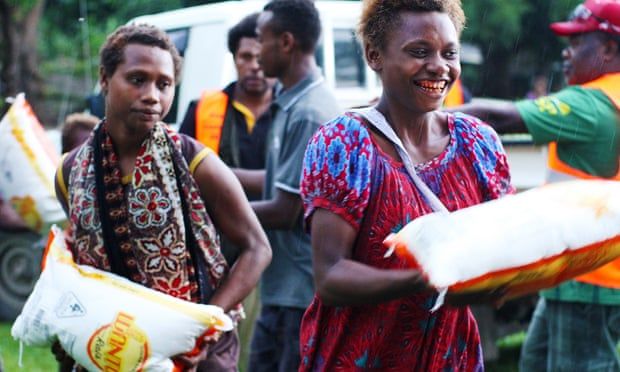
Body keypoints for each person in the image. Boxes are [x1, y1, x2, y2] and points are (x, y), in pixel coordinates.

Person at [298, 0, 515, 370]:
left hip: (452, 359)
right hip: (358, 359)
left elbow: (502, 253)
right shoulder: (346, 143)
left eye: (450, 53)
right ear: (374, 56)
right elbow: (331, 276)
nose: (439, 67)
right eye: (419, 52)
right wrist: (425, 278)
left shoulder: (479, 143)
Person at [53, 24, 271, 371]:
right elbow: (80, 256)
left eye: (164, 84)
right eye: (137, 80)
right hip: (111, 349)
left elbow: (258, 248)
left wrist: (203, 327)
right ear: (105, 79)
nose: (153, 95)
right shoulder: (71, 171)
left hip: (194, 354)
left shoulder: (194, 162)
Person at [449, 0, 620, 370]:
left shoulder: (591, 103)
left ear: (608, 48)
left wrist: (411, 117)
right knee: (535, 360)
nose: (566, 51)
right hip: (594, 270)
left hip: (586, 278)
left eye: (577, 42)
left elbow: (498, 116)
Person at [238, 1, 341, 370]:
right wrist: (207, 171)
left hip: (301, 293)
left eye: (261, 41)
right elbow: (277, 181)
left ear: (285, 42)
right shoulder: (291, 102)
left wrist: (208, 212)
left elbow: (287, 209)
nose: (256, 55)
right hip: (281, 288)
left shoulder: (310, 112)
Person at [179, 13, 274, 199]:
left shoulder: (291, 112)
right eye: (246, 57)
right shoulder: (201, 109)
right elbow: (181, 170)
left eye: (260, 57)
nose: (254, 66)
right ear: (234, 58)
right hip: (215, 222)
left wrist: (208, 172)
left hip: (280, 224)